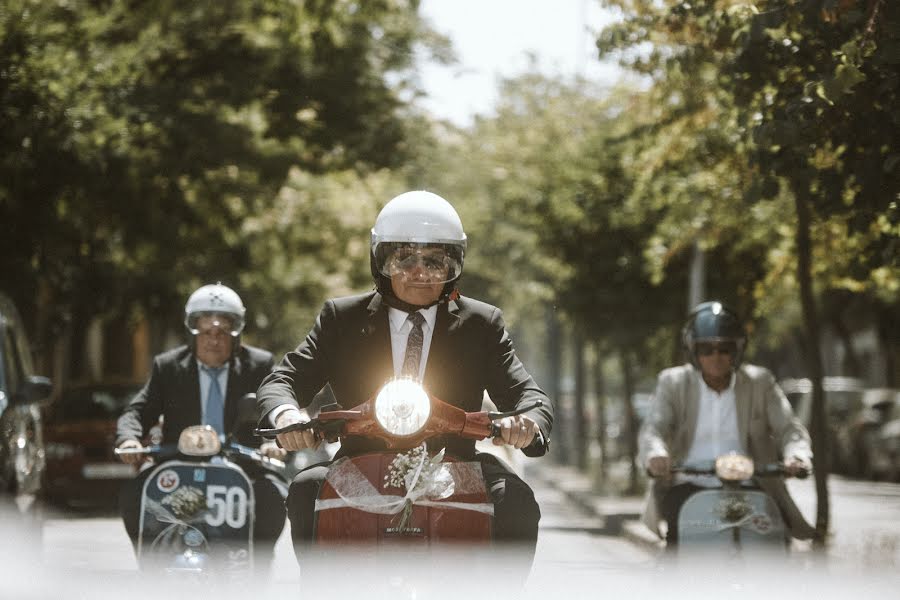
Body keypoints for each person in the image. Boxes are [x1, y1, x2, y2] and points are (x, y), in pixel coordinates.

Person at [256, 190, 554, 569]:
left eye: (434, 261)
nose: (419, 272)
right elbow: (284, 378)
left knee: (516, 500)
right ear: (380, 261)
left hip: (456, 466)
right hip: (358, 463)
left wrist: (526, 421)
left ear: (454, 266)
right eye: (404, 258)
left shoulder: (482, 323)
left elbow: (527, 392)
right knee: (304, 489)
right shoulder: (341, 317)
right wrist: (287, 416)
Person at [116, 283, 287, 561]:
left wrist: (272, 441)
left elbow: (273, 407)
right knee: (135, 495)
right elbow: (137, 411)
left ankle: (256, 571)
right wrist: (129, 438)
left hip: (244, 468)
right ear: (192, 333)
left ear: (236, 335)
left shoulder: (260, 364)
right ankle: (152, 570)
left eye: (222, 332)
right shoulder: (168, 366)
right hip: (180, 466)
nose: (213, 340)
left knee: (272, 498)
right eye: (206, 332)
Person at [639, 300, 816, 549]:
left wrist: (796, 456)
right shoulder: (673, 383)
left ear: (737, 350)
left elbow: (789, 428)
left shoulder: (760, 382)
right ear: (693, 351)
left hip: (753, 486)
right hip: (689, 487)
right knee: (678, 550)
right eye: (706, 349)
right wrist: (656, 455)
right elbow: (654, 429)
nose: (716, 356)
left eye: (725, 348)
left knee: (774, 551)